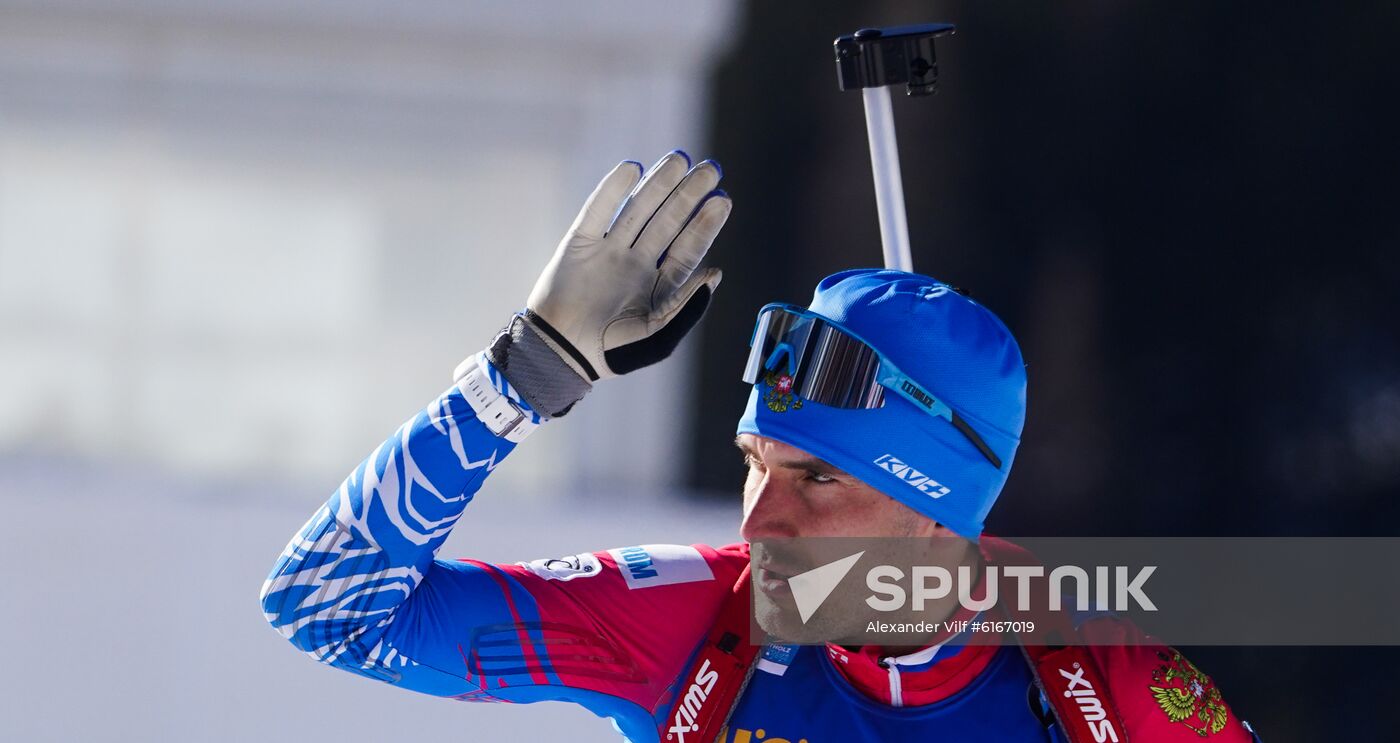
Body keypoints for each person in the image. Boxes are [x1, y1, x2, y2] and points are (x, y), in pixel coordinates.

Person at [261, 151, 1261, 742]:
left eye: (817, 477)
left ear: (938, 507)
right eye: (754, 462)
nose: (759, 518)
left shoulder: (1096, 681)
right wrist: (525, 375)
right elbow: (327, 607)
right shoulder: (692, 619)